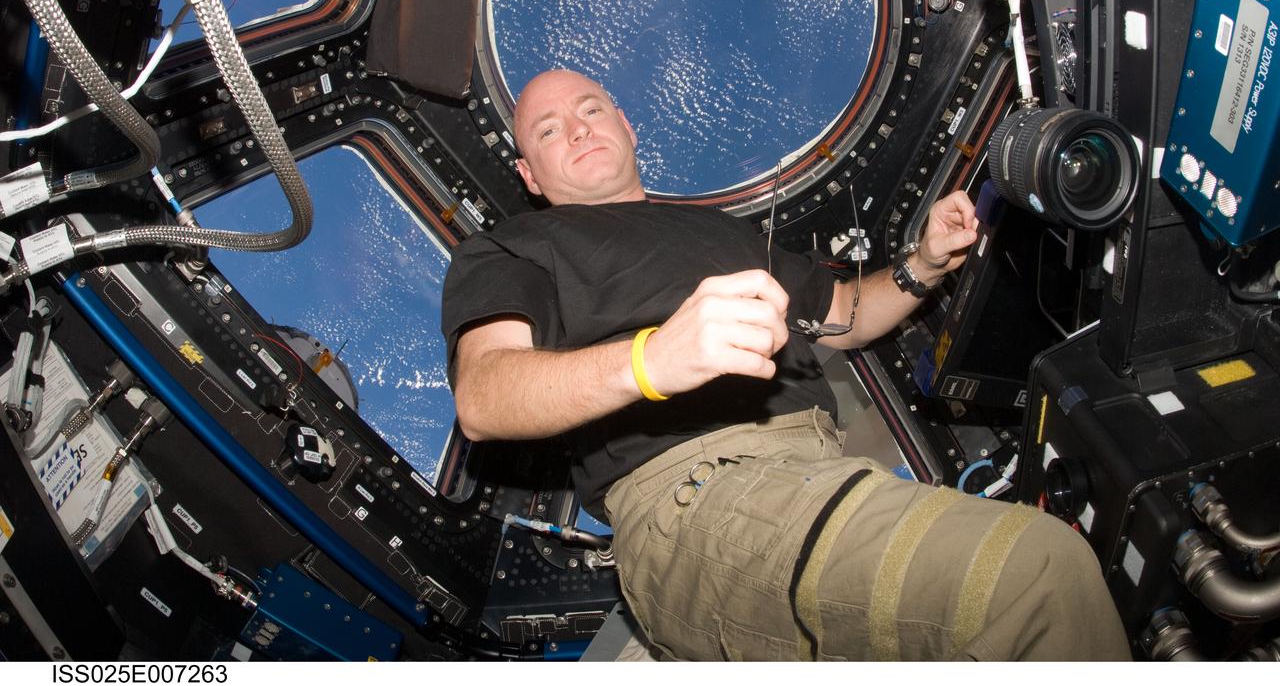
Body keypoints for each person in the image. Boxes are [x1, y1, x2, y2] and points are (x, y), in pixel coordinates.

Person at [441, 69, 1129, 661]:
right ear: (530, 175)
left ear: (626, 124)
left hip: (818, 467)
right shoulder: (515, 248)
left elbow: (846, 316)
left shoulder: (719, 231)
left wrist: (923, 264)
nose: (580, 128)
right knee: (1037, 576)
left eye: (591, 109)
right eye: (550, 130)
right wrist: (654, 360)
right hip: (697, 493)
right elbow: (485, 395)